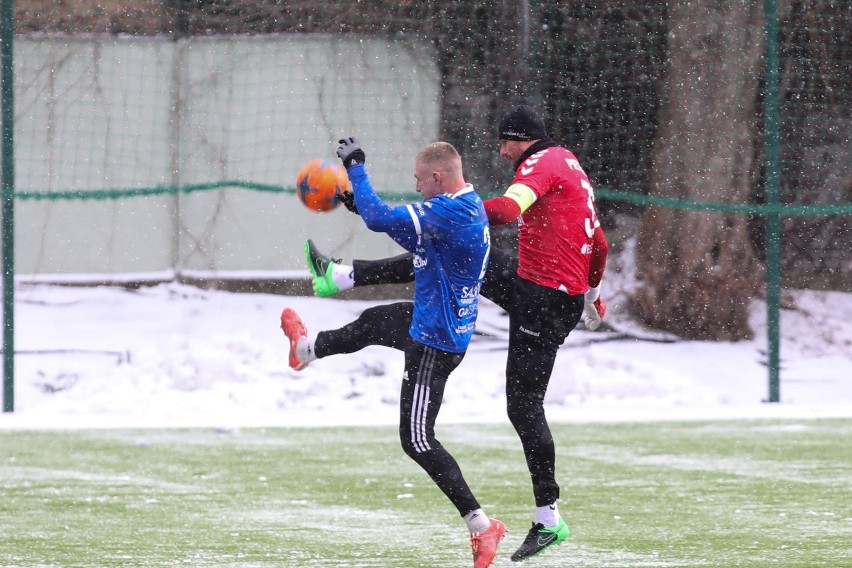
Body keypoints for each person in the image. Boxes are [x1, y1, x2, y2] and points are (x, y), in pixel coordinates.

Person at [304, 105, 609, 562]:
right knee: (450, 253)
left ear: (522, 138)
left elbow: (506, 209)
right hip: (546, 288)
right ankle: (343, 277)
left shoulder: (538, 165)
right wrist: (592, 293)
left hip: (542, 302)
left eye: (506, 142)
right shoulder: (568, 162)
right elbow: (598, 241)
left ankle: (549, 517)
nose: (502, 151)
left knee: (523, 407)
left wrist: (452, 212)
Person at [281, 138, 506, 568]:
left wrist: (357, 168)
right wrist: (356, 204)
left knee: (417, 440)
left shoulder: (453, 211)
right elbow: (397, 227)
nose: (418, 187)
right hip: (429, 321)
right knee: (371, 323)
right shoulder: (460, 205)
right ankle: (306, 349)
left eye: (420, 180)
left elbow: (384, 217)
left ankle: (482, 526)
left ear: (438, 178)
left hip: (434, 343)